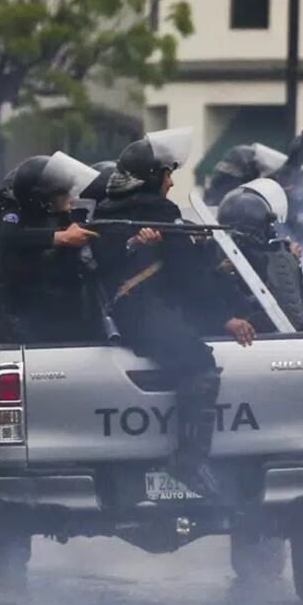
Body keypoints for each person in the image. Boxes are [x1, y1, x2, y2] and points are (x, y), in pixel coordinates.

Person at [94, 128, 256, 497]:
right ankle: (190, 462)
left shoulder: (106, 211)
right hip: (138, 310)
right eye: (166, 174)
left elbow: (103, 264)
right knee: (199, 361)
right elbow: (188, 278)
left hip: (121, 311)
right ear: (152, 178)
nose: (170, 183)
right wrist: (224, 318)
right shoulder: (159, 212)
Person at [0, 153, 101, 345]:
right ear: (44, 199)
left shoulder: (64, 219)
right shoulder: (12, 221)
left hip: (70, 326)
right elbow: (10, 237)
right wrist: (59, 238)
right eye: (63, 194)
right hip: (26, 327)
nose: (71, 199)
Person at [214, 178, 303, 331]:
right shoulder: (220, 259)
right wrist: (289, 261)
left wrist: (294, 265)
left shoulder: (215, 252)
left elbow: (293, 305)